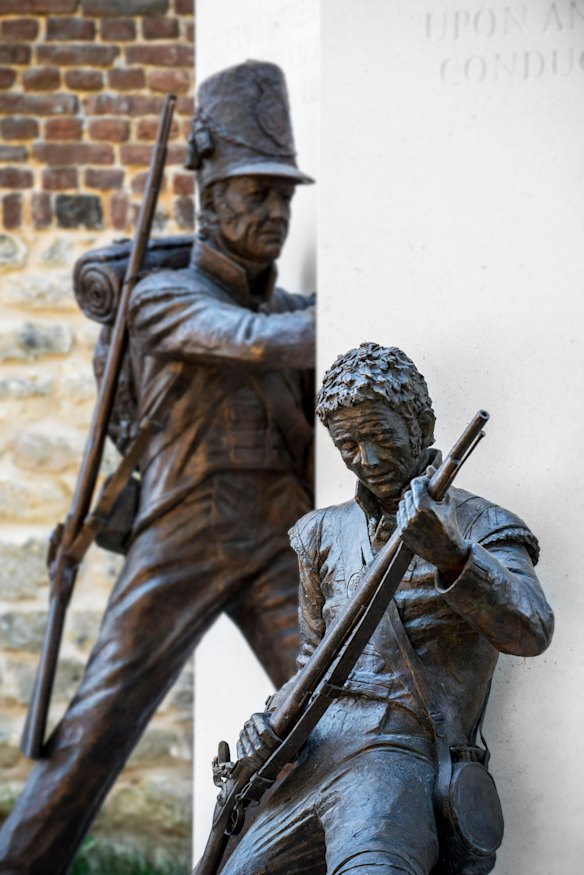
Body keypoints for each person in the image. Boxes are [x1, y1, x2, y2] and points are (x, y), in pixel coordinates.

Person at [0, 61, 315, 875]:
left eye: (284, 195)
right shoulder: (161, 297)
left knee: (341, 718)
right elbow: (253, 342)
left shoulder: (291, 307)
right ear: (210, 197)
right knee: (90, 741)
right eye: (257, 192)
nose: (276, 211)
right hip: (180, 536)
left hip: (280, 539)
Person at [221, 343, 554, 875]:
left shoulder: (481, 525)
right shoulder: (321, 533)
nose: (367, 460)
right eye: (348, 444)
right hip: (314, 756)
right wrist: (269, 723)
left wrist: (453, 556)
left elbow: (531, 629)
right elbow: (314, 659)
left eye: (379, 436)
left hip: (400, 758)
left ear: (420, 425)